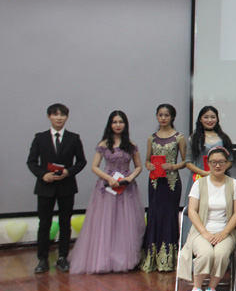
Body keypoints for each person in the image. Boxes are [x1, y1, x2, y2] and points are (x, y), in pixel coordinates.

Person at [69, 111, 145, 274]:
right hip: (107, 187)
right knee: (106, 223)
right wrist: (109, 178)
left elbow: (139, 166)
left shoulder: (131, 145)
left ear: (125, 124)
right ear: (110, 124)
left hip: (126, 188)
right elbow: (94, 166)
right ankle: (103, 259)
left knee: (125, 224)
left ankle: (125, 259)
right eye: (115, 122)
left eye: (121, 122)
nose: (118, 125)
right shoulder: (103, 144)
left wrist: (130, 177)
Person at [178, 147, 236, 291]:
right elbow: (192, 211)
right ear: (208, 163)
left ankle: (211, 289)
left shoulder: (234, 184)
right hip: (201, 232)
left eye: (221, 162)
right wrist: (205, 233)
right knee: (206, 254)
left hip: (226, 232)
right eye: (214, 162)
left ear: (227, 164)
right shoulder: (199, 184)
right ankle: (197, 289)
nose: (217, 165)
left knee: (221, 254)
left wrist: (224, 233)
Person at [27, 103, 87, 273]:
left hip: (66, 186)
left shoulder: (73, 138)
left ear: (67, 117)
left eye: (62, 115)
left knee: (65, 223)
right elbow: (31, 162)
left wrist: (68, 171)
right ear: (49, 117)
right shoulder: (40, 138)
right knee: (44, 224)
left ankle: (62, 257)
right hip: (45, 186)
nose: (59, 118)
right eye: (55, 114)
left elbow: (81, 161)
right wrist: (42, 175)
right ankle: (42, 259)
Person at [141, 104, 186, 272]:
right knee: (154, 215)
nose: (163, 118)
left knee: (169, 216)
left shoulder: (179, 137)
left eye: (166, 115)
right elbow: (147, 160)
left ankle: (168, 259)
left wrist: (172, 167)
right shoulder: (151, 138)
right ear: (157, 116)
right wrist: (148, 165)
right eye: (160, 115)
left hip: (171, 182)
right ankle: (151, 259)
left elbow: (186, 161)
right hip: (155, 182)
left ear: (172, 117)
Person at [184, 106, 233, 205]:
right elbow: (188, 163)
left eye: (213, 117)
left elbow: (230, 161)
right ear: (200, 119)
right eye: (206, 117)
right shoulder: (194, 138)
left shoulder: (224, 138)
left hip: (220, 179)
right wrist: (204, 173)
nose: (209, 120)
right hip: (198, 178)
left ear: (217, 119)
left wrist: (217, 172)